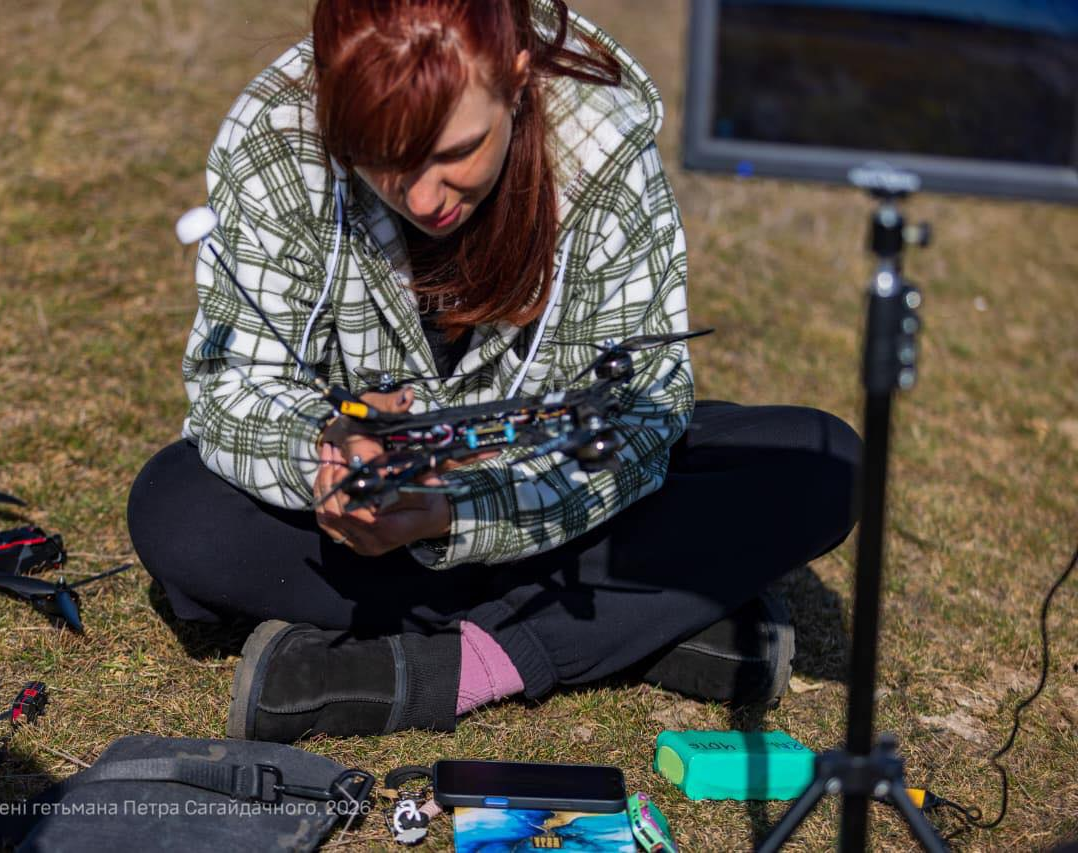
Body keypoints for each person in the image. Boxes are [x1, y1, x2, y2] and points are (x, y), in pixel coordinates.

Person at [128, 0, 861, 743]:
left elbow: (642, 409)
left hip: (544, 488)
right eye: (381, 158)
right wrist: (319, 452)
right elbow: (231, 387)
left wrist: (470, 509)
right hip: (412, 532)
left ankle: (455, 665)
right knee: (179, 512)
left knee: (819, 465)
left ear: (518, 79)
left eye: (456, 153)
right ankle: (652, 619)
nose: (421, 198)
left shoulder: (601, 143)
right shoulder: (274, 139)